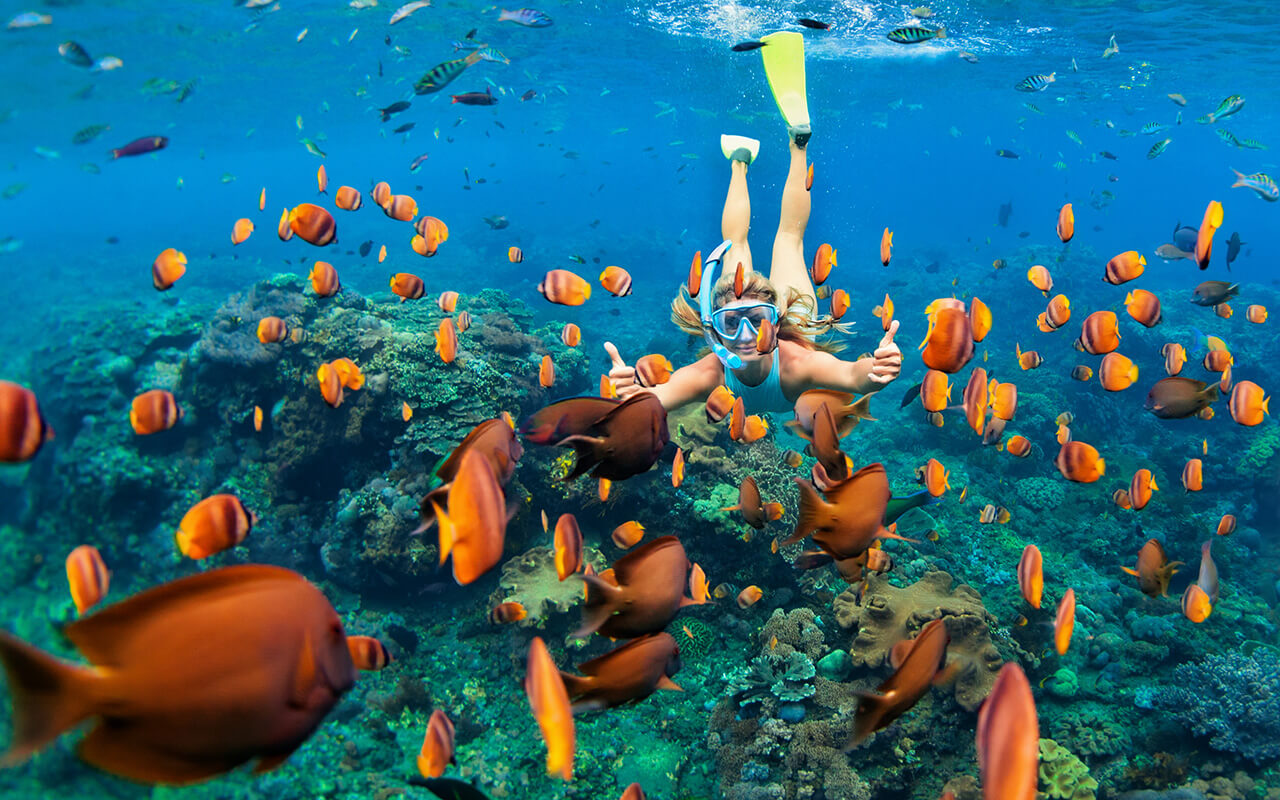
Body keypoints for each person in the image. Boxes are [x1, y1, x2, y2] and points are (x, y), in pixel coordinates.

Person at [604, 31, 902, 414]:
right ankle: (783, 147)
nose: (746, 336)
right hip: (798, 315)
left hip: (791, 322)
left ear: (775, 324)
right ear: (717, 330)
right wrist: (632, 396)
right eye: (732, 324)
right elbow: (656, 400)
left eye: (757, 321)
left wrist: (875, 372)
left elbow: (852, 376)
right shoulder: (711, 371)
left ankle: (751, 157)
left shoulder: (795, 363)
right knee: (787, 240)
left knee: (750, 242)